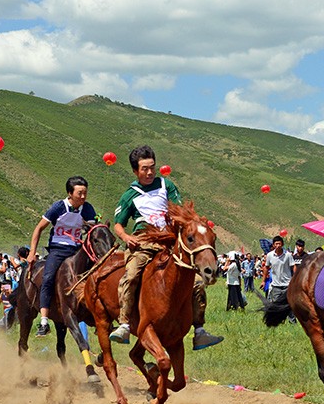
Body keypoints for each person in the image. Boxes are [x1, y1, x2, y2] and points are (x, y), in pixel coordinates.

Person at [108, 145, 223, 350]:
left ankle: (199, 331)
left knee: (197, 282)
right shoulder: (129, 195)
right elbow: (118, 223)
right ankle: (124, 323)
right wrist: (127, 236)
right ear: (135, 171)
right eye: (144, 169)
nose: (150, 172)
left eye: (152, 167)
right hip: (144, 243)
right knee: (131, 274)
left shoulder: (166, 185)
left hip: (170, 242)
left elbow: (178, 210)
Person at [28, 176, 97, 337]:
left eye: (85, 193)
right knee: (48, 278)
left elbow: (93, 232)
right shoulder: (58, 207)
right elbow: (39, 228)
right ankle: (44, 321)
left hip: (77, 249)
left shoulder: (87, 209)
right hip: (58, 249)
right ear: (70, 193)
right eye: (79, 193)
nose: (83, 197)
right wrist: (32, 252)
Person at [263, 235, 295, 316]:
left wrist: (295, 279)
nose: (278, 246)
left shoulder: (288, 255)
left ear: (282, 244)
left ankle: (292, 321)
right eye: (276, 244)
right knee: (276, 305)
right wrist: (263, 281)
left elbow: (293, 266)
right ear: (273, 245)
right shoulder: (270, 255)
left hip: (287, 284)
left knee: (289, 304)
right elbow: (266, 267)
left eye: (279, 244)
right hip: (275, 285)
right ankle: (278, 321)